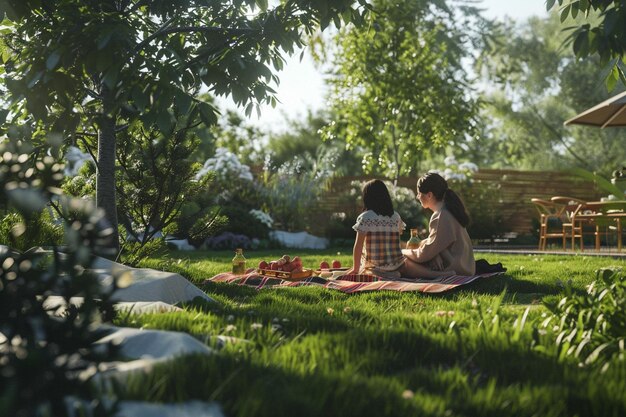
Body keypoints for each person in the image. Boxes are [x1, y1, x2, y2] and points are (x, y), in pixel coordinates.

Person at [402, 172, 475, 278]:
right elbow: (435, 245)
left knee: (403, 262)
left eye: (419, 193)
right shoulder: (449, 211)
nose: (418, 197)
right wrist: (434, 255)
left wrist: (403, 252)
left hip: (458, 269)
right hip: (466, 266)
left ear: (429, 195)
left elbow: (424, 255)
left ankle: (437, 275)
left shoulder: (441, 216)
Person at [344, 179, 406, 279]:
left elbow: (358, 245)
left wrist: (355, 269)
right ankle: (390, 274)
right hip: (396, 266)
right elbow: (397, 237)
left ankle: (379, 274)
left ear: (367, 198)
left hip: (375, 267)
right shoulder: (396, 217)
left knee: (364, 269)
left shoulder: (366, 217)